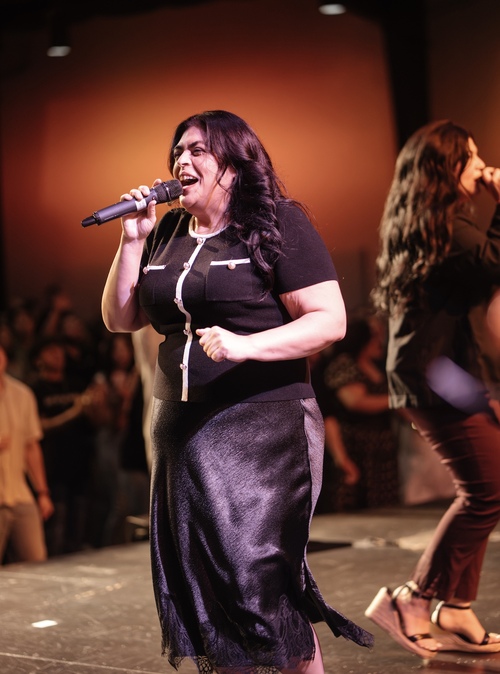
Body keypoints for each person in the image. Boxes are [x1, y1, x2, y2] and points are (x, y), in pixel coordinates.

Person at [100, 110, 373, 673]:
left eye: (198, 150)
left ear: (235, 161)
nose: (182, 160)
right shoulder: (168, 231)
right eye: (178, 151)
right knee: (207, 590)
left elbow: (330, 321)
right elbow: (120, 319)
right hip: (181, 432)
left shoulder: (276, 221)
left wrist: (247, 345)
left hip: (261, 431)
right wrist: (132, 241)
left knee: (261, 588)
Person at [364, 120, 500, 657]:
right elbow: (491, 266)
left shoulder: (436, 222)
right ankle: (415, 598)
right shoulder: (447, 225)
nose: (481, 165)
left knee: (489, 486)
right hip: (435, 372)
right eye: (471, 156)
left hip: (441, 370)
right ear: (447, 166)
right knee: (487, 489)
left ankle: (456, 605)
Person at [321, 315, 399, 511]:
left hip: (380, 444)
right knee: (354, 503)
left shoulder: (374, 364)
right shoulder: (344, 363)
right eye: (375, 336)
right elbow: (355, 402)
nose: (380, 341)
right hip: (356, 444)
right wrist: (396, 399)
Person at [0, 344, 54, 564]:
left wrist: (42, 492)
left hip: (19, 493)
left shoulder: (22, 394)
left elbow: (31, 446)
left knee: (36, 560)